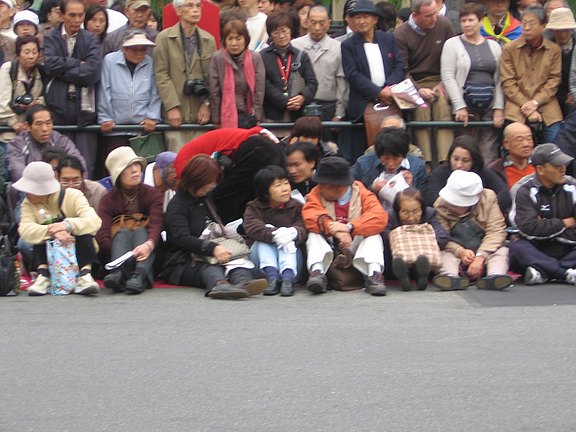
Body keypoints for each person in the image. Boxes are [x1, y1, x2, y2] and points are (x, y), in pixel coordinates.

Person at [163, 154, 267, 299]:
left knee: (236, 262)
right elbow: (183, 239)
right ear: (196, 180)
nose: (212, 186)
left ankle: (243, 282)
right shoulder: (177, 205)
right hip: (183, 259)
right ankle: (220, 284)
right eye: (209, 182)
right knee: (211, 268)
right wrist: (212, 248)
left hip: (209, 250)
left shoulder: (206, 198)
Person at [302, 156, 389, 296]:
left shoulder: (361, 192)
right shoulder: (316, 193)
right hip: (331, 244)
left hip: (355, 243)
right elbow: (310, 214)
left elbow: (379, 217)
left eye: (323, 184)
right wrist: (333, 228)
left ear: (338, 185)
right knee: (314, 234)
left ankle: (374, 275)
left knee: (374, 235)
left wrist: (350, 228)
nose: (320, 187)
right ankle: (317, 273)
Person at [14, 161, 102, 296]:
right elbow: (25, 230)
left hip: (78, 250)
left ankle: (85, 275)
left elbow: (94, 221)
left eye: (30, 189)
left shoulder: (73, 195)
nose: (26, 193)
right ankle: (43, 275)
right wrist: (52, 230)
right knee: (40, 233)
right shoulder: (28, 203)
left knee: (83, 231)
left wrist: (67, 226)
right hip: (48, 252)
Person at [341, 0, 405, 162]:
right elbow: (353, 74)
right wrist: (377, 92)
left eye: (365, 17)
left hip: (391, 100)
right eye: (356, 17)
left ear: (375, 19)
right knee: (364, 154)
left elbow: (399, 65)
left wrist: (388, 88)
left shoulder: (388, 39)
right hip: (363, 104)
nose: (361, 21)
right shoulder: (348, 45)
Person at [43, 0, 102, 178]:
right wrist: (76, 63)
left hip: (84, 112)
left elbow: (92, 72)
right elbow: (50, 65)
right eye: (72, 15)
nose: (77, 20)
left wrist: (63, 70)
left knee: (84, 165)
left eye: (80, 15)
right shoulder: (51, 37)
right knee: (58, 165)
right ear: (61, 16)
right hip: (58, 110)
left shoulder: (90, 38)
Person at [441, 3, 505, 165]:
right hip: (466, 103)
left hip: (489, 103)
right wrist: (459, 105)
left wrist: (499, 107)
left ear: (481, 22)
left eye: (471, 20)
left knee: (488, 150)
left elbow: (499, 79)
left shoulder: (494, 46)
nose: (467, 24)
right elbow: (448, 75)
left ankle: (488, 185)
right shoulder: (452, 44)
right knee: (466, 149)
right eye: (463, 21)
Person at [394, 0, 455, 163]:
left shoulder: (444, 24)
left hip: (440, 79)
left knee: (442, 105)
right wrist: (417, 89)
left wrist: (443, 81)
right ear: (415, 16)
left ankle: (445, 160)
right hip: (413, 81)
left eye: (435, 13)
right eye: (428, 16)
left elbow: (453, 55)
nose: (434, 19)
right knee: (422, 108)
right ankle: (425, 161)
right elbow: (401, 69)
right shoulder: (401, 33)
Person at [96, 147, 163, 294]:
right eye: (128, 166)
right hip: (117, 254)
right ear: (118, 174)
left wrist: (148, 245)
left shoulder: (153, 194)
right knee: (122, 233)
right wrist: (122, 252)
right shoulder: (108, 200)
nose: (135, 170)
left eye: (136, 164)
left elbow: (157, 225)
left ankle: (139, 275)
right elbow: (102, 234)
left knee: (140, 231)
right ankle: (118, 272)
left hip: (149, 253)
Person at [433, 170, 513, 290]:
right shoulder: (440, 204)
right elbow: (442, 236)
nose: (451, 205)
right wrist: (460, 251)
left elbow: (496, 230)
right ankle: (449, 277)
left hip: (485, 246)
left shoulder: (488, 197)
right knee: (444, 254)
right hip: (456, 248)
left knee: (502, 251)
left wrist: (481, 256)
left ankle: (495, 276)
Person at [508, 143, 576, 285]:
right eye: (557, 165)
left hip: (569, 247)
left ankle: (544, 272)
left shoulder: (572, 186)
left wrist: (545, 223)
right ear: (541, 169)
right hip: (537, 249)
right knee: (516, 248)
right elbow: (528, 229)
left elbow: (537, 227)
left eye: (563, 163)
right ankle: (564, 273)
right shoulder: (524, 190)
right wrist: (564, 222)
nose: (563, 168)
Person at [154, 0, 216, 151]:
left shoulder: (209, 40)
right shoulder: (164, 38)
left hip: (200, 116)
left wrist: (206, 103)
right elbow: (161, 74)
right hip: (176, 116)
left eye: (198, 6)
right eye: (190, 6)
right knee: (177, 162)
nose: (195, 10)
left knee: (201, 164)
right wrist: (172, 107)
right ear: (178, 11)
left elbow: (213, 78)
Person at [500, 6, 563, 143]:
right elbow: (508, 83)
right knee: (516, 141)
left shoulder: (554, 50)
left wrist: (535, 102)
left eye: (532, 23)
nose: (526, 27)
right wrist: (527, 106)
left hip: (547, 106)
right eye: (524, 23)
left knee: (556, 143)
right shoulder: (509, 49)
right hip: (517, 107)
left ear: (543, 26)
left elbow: (554, 80)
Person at [243, 166, 307, 296]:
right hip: (260, 266)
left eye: (286, 183)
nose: (285, 189)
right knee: (265, 237)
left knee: (287, 240)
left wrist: (291, 233)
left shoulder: (297, 206)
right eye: (278, 185)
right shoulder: (254, 208)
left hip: (293, 264)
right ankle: (272, 278)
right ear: (265, 191)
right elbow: (253, 228)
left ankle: (287, 279)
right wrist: (276, 235)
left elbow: (304, 227)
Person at [98, 30, 162, 153]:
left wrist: (152, 117)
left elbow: (155, 92)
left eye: (143, 49)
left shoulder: (150, 62)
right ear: (125, 48)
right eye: (134, 49)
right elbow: (104, 91)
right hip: (115, 128)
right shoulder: (110, 61)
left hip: (142, 128)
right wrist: (105, 118)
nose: (138, 53)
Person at [382, 187, 449, 290]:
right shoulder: (390, 216)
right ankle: (403, 277)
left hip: (424, 259)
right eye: (405, 212)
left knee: (422, 260)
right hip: (396, 261)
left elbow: (443, 236)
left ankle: (421, 276)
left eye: (416, 211)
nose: (411, 217)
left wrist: (423, 239)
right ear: (397, 210)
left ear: (422, 209)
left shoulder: (429, 214)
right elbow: (384, 234)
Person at [425, 135, 512, 213]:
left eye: (465, 161)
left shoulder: (483, 172)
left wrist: (485, 212)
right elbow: (432, 199)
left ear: (473, 161)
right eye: (455, 159)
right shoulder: (439, 173)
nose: (459, 165)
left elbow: (504, 195)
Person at [291, 5, 348, 123]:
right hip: (300, 106)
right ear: (306, 22)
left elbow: (342, 83)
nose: (317, 28)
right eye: (313, 23)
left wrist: (339, 114)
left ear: (329, 23)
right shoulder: (294, 46)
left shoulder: (338, 48)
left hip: (328, 106)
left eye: (322, 23)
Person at [260, 11, 318, 123]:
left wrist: (302, 97)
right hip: (272, 115)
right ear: (270, 34)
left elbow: (312, 83)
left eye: (284, 31)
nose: (281, 36)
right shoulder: (263, 56)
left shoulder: (301, 55)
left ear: (291, 30)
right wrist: (284, 101)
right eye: (276, 32)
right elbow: (264, 84)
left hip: (298, 115)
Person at [208, 19, 265, 128]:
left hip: (249, 113)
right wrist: (216, 119)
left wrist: (257, 116)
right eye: (230, 39)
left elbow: (259, 90)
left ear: (245, 40)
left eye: (238, 39)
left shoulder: (255, 58)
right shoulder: (217, 58)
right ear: (225, 41)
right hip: (226, 115)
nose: (234, 43)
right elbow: (214, 90)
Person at [7, 105, 86, 181]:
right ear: (28, 126)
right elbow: (18, 173)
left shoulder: (61, 140)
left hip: (60, 187)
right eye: (39, 124)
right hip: (31, 188)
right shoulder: (17, 144)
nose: (45, 129)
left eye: (48, 123)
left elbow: (79, 165)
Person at [353, 128, 428, 199]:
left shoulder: (417, 166)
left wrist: (411, 188)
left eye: (396, 158)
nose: (391, 164)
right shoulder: (363, 164)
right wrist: (372, 189)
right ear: (379, 155)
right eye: (386, 158)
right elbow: (354, 195)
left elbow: (423, 200)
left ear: (404, 155)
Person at [0, 34, 44, 145]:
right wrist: (13, 122)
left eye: (34, 52)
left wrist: (36, 103)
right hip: (9, 133)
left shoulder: (41, 71)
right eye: (26, 52)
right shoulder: (9, 69)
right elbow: (2, 102)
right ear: (18, 54)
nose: (31, 56)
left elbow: (45, 97)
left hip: (33, 132)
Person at [488, 122, 535, 188]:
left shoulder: (541, 165)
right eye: (520, 140)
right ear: (506, 144)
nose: (526, 144)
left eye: (529, 139)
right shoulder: (495, 170)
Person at [547, 8, 576, 116]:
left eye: (566, 30)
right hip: (551, 99)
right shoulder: (545, 48)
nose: (563, 34)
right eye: (559, 30)